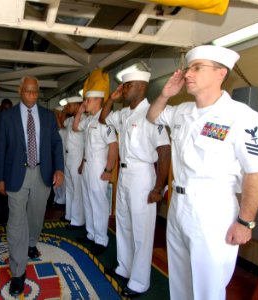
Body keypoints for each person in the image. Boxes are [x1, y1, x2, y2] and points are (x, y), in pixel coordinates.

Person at [146, 45, 258, 300]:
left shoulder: (242, 117)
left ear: (220, 73)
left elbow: (256, 172)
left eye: (197, 68)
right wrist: (165, 95)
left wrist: (245, 222)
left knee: (208, 289)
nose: (188, 74)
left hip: (213, 211)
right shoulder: (182, 112)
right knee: (179, 280)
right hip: (179, 204)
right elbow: (153, 116)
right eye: (189, 67)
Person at [99, 70, 171, 298]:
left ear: (141, 86)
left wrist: (159, 188)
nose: (124, 89)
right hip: (125, 175)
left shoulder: (152, 113)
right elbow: (103, 119)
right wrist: (111, 99)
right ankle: (124, 267)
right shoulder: (124, 114)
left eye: (127, 85)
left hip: (143, 176)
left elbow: (164, 152)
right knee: (124, 224)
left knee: (142, 230)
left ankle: (140, 281)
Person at [0, 75, 64, 296]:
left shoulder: (47, 116)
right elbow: (1, 149)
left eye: (35, 92)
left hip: (42, 173)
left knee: (36, 216)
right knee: (16, 222)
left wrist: (59, 168)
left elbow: (56, 143)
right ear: (20, 90)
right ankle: (18, 272)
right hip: (17, 174)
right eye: (27, 91)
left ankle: (32, 241)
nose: (32, 96)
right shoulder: (8, 117)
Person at [73, 88, 118, 256]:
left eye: (88, 100)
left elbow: (113, 146)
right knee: (88, 200)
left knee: (98, 202)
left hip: (99, 166)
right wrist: (79, 111)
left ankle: (101, 239)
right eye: (85, 100)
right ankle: (91, 234)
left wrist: (109, 169)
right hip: (87, 166)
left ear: (99, 101)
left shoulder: (104, 121)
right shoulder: (90, 119)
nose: (86, 103)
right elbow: (76, 127)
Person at [62, 96, 86, 229]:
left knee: (77, 190)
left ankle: (77, 221)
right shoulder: (71, 119)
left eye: (70, 105)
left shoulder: (84, 119)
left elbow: (87, 143)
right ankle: (69, 215)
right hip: (69, 157)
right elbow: (61, 123)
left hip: (78, 157)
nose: (68, 107)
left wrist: (83, 161)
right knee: (69, 188)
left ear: (78, 105)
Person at [53, 105, 68, 209]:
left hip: (64, 158)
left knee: (62, 181)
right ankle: (57, 199)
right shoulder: (56, 128)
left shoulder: (64, 129)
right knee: (55, 181)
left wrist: (56, 115)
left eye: (60, 114)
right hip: (56, 158)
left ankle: (61, 201)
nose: (58, 117)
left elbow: (61, 126)